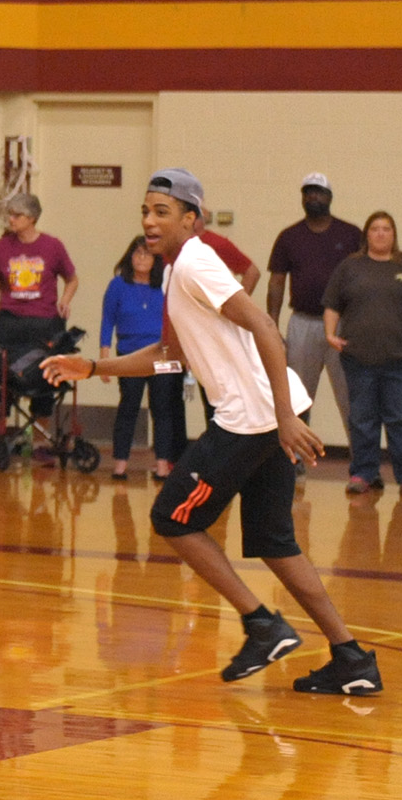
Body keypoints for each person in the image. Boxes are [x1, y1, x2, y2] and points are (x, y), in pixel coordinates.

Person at [43, 169, 380, 696]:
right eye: (145, 212)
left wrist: (287, 415)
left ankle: (262, 625)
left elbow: (265, 327)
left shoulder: (197, 262)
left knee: (172, 517)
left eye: (161, 212)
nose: (149, 222)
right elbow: (169, 357)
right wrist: (94, 367)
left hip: (251, 419)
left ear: (190, 219)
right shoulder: (176, 271)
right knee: (274, 542)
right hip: (263, 418)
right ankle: (351, 656)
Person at [322, 211, 402, 498]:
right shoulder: (350, 267)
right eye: (374, 229)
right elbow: (332, 304)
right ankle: (363, 473)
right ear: (367, 234)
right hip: (358, 360)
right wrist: (329, 333)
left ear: (394, 234)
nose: (380, 233)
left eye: (386, 228)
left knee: (401, 419)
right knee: (362, 419)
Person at [266, 173, 358, 436]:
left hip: (343, 326)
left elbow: (364, 275)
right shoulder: (289, 236)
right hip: (303, 323)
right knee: (297, 398)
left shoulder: (351, 234)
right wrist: (273, 326)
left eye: (319, 191)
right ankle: (295, 463)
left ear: (329, 197)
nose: (313, 196)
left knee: (351, 398)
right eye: (308, 192)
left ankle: (362, 467)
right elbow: (276, 283)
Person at [0, 191, 76, 426]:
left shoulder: (52, 246)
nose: (11, 219)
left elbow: (72, 278)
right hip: (11, 319)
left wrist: (65, 300)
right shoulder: (3, 246)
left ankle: (40, 442)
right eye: (10, 214)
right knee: (1, 379)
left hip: (43, 320)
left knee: (43, 379)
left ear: (32, 218)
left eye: (17, 215)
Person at [98, 234, 184, 480]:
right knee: (128, 407)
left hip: (164, 356)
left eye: (146, 254)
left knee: (163, 408)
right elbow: (108, 321)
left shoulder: (167, 285)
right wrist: (105, 360)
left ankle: (162, 465)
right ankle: (120, 464)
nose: (141, 258)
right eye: (137, 253)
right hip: (130, 354)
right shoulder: (117, 285)